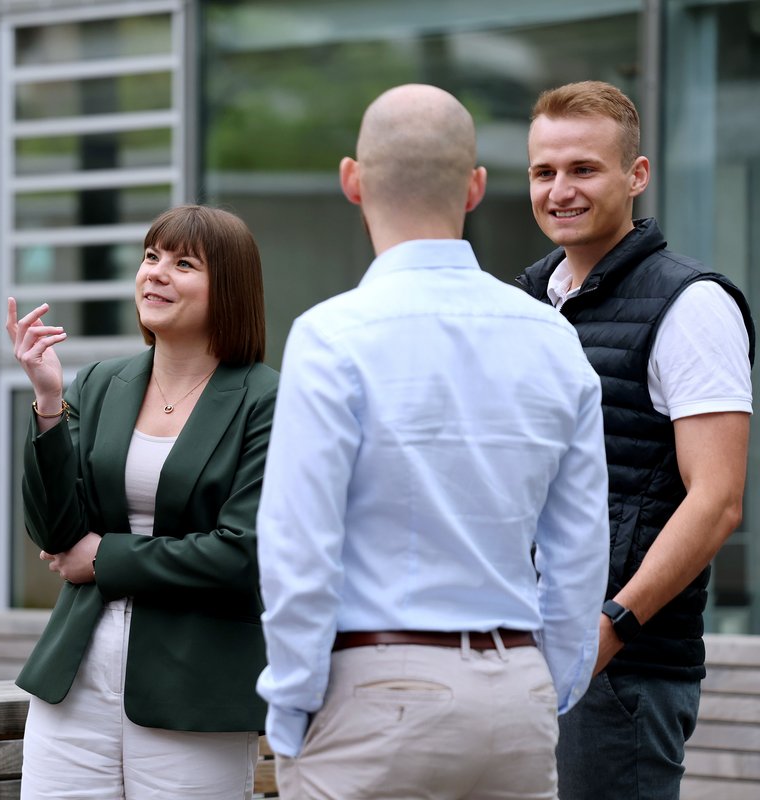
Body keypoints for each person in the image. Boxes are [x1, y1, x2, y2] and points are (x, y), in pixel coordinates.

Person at [255, 84, 610, 799]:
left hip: (374, 687)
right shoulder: (553, 337)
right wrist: (549, 683)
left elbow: (299, 545)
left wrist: (291, 704)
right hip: (515, 691)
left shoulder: (330, 336)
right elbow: (579, 547)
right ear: (476, 188)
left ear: (352, 180)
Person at [515, 80, 755, 799]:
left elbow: (717, 500)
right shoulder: (525, 303)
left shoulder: (693, 305)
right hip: (515, 661)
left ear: (636, 175)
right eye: (543, 172)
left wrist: (610, 626)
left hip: (620, 671)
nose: (561, 190)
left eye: (584, 169)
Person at [5, 204, 275, 799]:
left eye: (183, 264)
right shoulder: (102, 382)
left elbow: (244, 554)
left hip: (195, 689)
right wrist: (48, 404)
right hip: (75, 679)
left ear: (227, 288)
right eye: (151, 257)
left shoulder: (266, 399)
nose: (155, 273)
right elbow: (54, 531)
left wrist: (105, 559)